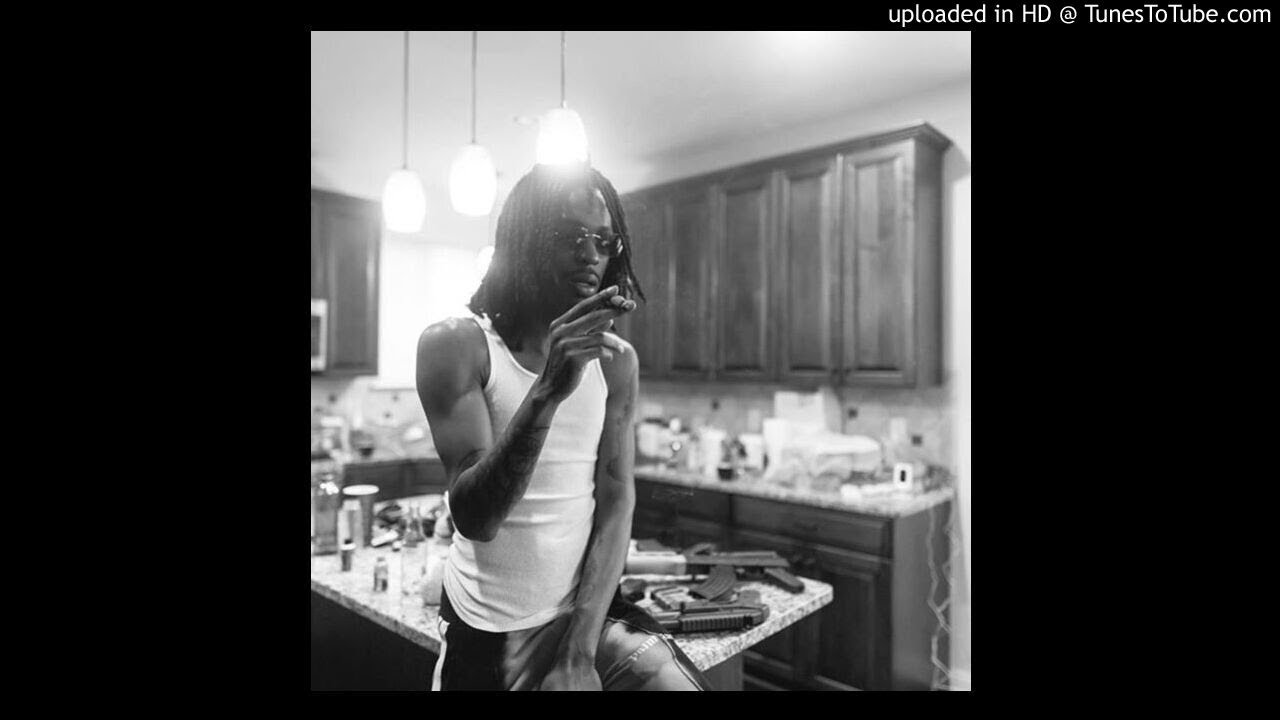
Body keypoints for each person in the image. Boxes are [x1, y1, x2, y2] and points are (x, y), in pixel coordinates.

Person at [416, 162, 711, 691]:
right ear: (523, 241)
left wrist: (578, 652)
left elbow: (616, 502)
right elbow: (476, 518)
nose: (591, 254)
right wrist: (548, 390)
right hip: (486, 627)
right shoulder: (457, 346)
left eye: (604, 240)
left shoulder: (616, 363)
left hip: (585, 617)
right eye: (571, 236)